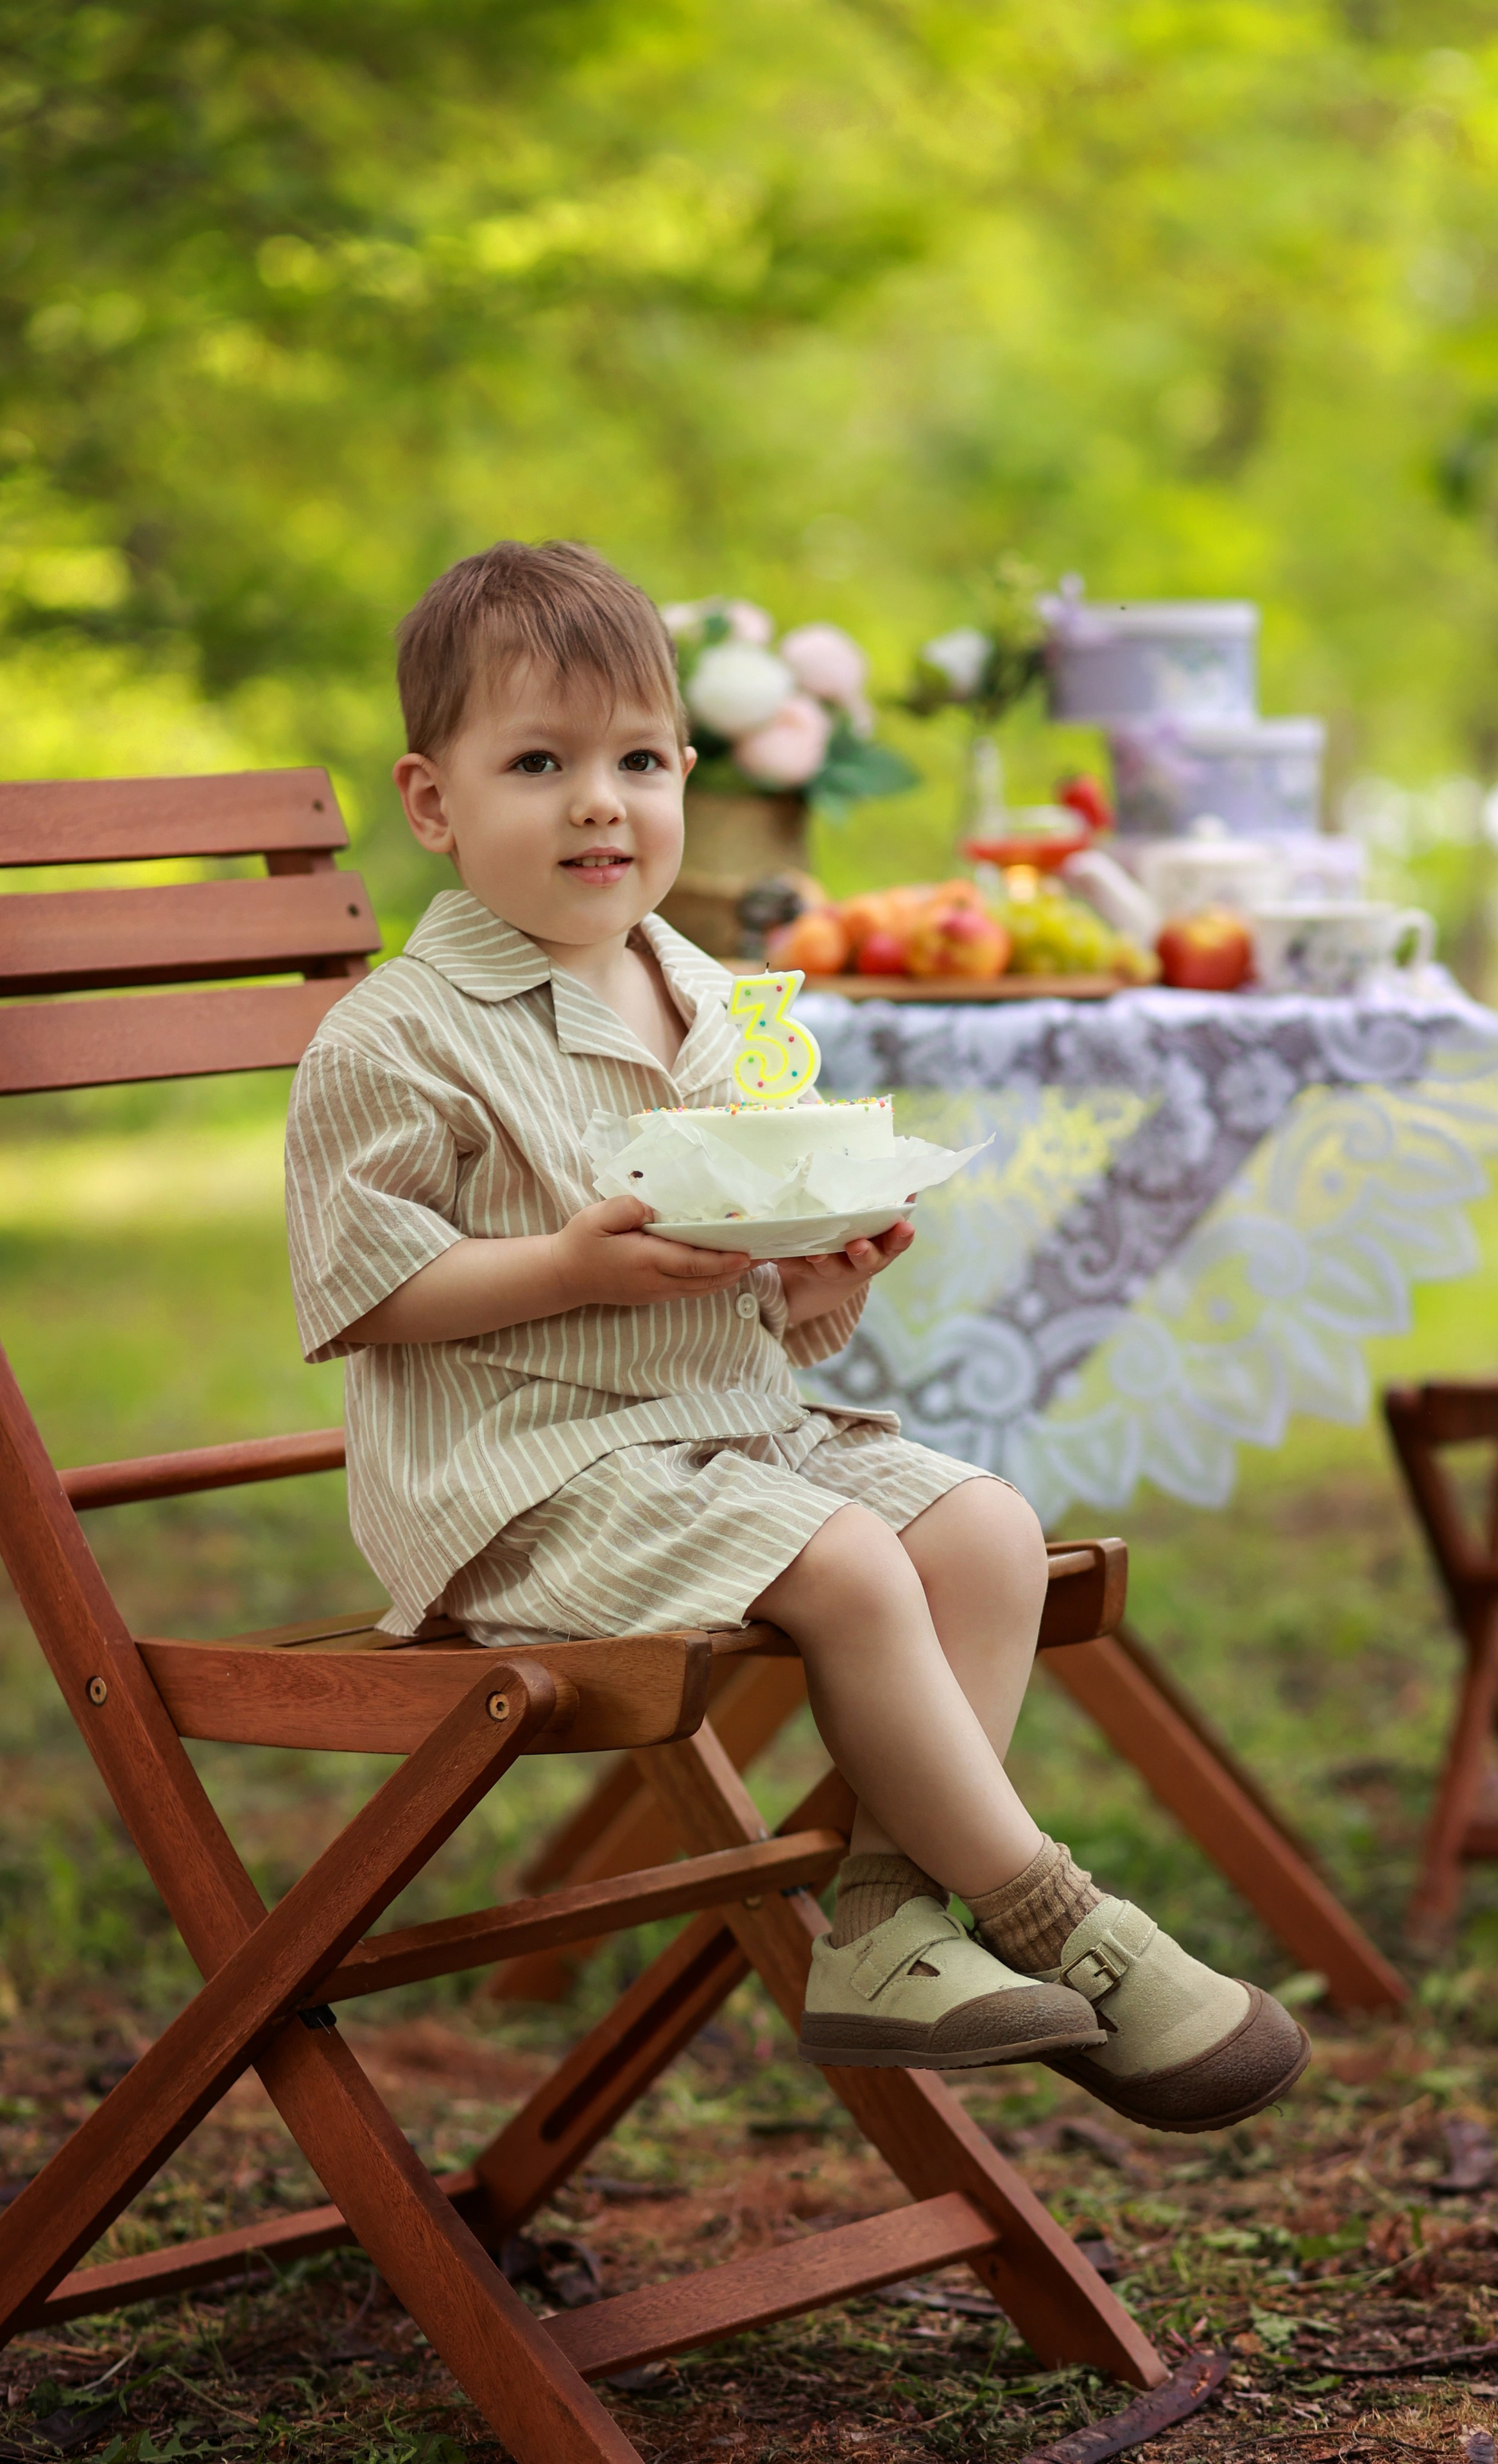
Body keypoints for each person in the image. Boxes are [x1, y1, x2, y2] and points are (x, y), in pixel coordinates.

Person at [284, 539, 1309, 2128]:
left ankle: (893, 1927)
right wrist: (565, 1265)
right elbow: (368, 1290)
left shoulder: (713, 993)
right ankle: (1061, 1921)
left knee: (982, 1529)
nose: (596, 805)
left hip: (723, 1440)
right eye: (537, 764)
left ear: (686, 775)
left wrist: (823, 1274)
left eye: (634, 761)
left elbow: (753, 1251)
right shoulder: (397, 1035)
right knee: (842, 1561)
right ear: (433, 803)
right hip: (522, 1477)